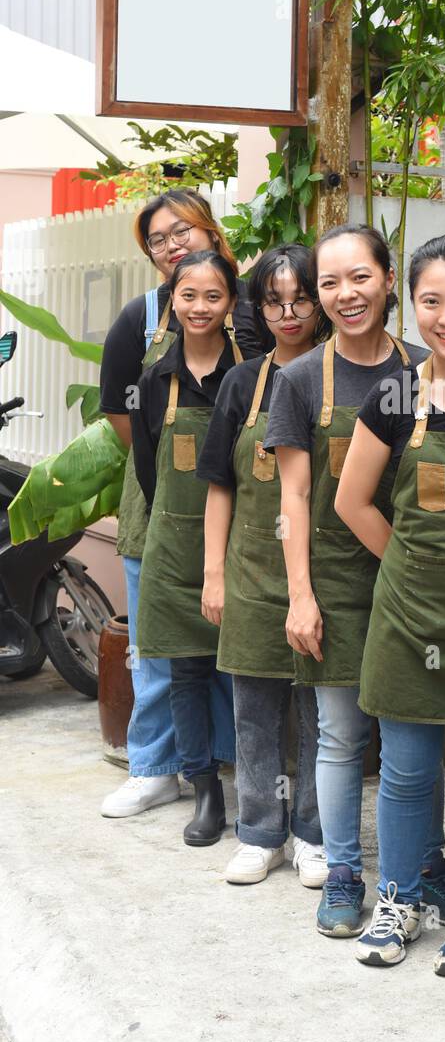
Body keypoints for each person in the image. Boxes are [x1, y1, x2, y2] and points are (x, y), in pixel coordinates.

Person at [335, 234, 445, 977]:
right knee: (405, 772)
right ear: (411, 306)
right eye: (431, 301)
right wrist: (412, 566)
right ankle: (399, 897)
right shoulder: (395, 394)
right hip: (408, 617)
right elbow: (351, 502)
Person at [264, 225, 445, 938]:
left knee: (417, 734)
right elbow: (293, 499)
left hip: (420, 584)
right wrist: (301, 596)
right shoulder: (300, 379)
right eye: (330, 284)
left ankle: (427, 862)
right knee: (340, 737)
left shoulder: (432, 367)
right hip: (338, 585)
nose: (346, 295)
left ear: (387, 282)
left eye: (360, 278)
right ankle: (342, 872)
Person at [100, 190, 262, 820]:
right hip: (159, 506)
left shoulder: (254, 309)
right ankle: (154, 767)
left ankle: (220, 766)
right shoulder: (139, 317)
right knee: (160, 648)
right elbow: (124, 415)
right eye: (158, 241)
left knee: (230, 653)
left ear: (210, 229)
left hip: (244, 506)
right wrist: (172, 471)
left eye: (181, 231)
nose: (172, 246)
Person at [197, 244, 328, 888]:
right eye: (273, 302)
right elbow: (220, 484)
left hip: (321, 572)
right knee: (253, 707)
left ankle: (311, 832)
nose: (288, 313)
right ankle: (258, 832)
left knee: (314, 712)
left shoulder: (341, 374)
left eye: (300, 299)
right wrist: (214, 573)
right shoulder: (242, 383)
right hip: (250, 571)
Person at [131, 249, 243, 847]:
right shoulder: (155, 380)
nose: (200, 307)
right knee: (186, 676)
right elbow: (148, 470)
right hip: (175, 551)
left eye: (214, 296)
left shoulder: (252, 373)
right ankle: (204, 787)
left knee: (253, 675)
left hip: (247, 549)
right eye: (188, 295)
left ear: (230, 305)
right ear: (172, 300)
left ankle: (259, 786)